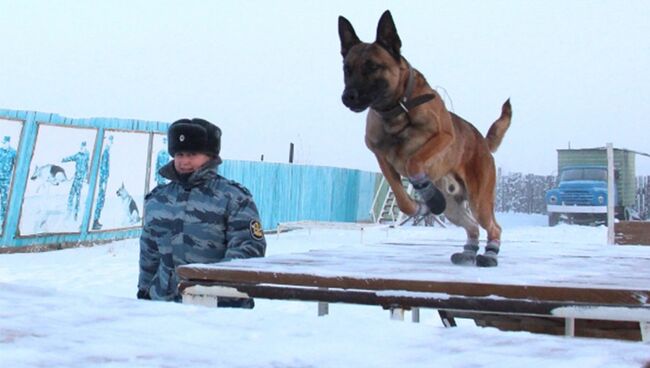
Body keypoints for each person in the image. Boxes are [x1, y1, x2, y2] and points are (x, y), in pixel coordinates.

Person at [137, 118, 266, 305]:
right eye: (179, 154)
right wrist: (145, 291)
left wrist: (212, 291)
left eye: (192, 154)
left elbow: (248, 251)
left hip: (219, 308)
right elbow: (149, 253)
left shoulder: (233, 198)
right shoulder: (158, 200)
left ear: (210, 156)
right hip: (164, 307)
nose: (184, 161)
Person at [62, 141, 90, 221]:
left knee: (77, 194)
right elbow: (70, 158)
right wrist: (63, 159)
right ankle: (70, 208)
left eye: (83, 146)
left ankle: (76, 211)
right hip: (76, 177)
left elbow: (87, 166)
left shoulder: (86, 156)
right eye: (81, 146)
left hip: (80, 178)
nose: (82, 148)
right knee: (72, 193)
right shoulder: (78, 155)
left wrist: (86, 177)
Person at [92, 135, 113, 230]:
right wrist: (103, 182)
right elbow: (103, 168)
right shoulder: (105, 153)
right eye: (110, 141)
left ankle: (96, 220)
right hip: (103, 180)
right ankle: (94, 221)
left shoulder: (106, 152)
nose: (111, 143)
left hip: (104, 180)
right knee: (100, 200)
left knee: (101, 201)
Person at [0, 136, 17, 223]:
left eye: (4, 143)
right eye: (2, 143)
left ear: (8, 142)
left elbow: (17, 165)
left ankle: (3, 218)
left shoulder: (13, 153)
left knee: (4, 200)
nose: (3, 145)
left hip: (6, 180)